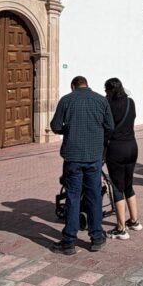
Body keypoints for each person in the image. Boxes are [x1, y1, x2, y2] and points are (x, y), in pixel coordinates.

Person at [50, 76, 115, 255]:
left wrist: (68, 129)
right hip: (94, 156)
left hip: (73, 156)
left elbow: (55, 126)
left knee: (72, 196)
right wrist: (97, 136)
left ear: (73, 86)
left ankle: (69, 241)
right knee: (94, 195)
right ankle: (96, 237)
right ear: (87, 84)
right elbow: (110, 126)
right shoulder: (100, 100)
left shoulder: (66, 100)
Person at [103, 78, 141, 240]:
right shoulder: (130, 102)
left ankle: (121, 228)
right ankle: (134, 220)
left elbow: (105, 126)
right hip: (132, 146)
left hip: (116, 148)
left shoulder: (108, 105)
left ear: (109, 91)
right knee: (128, 185)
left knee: (117, 187)